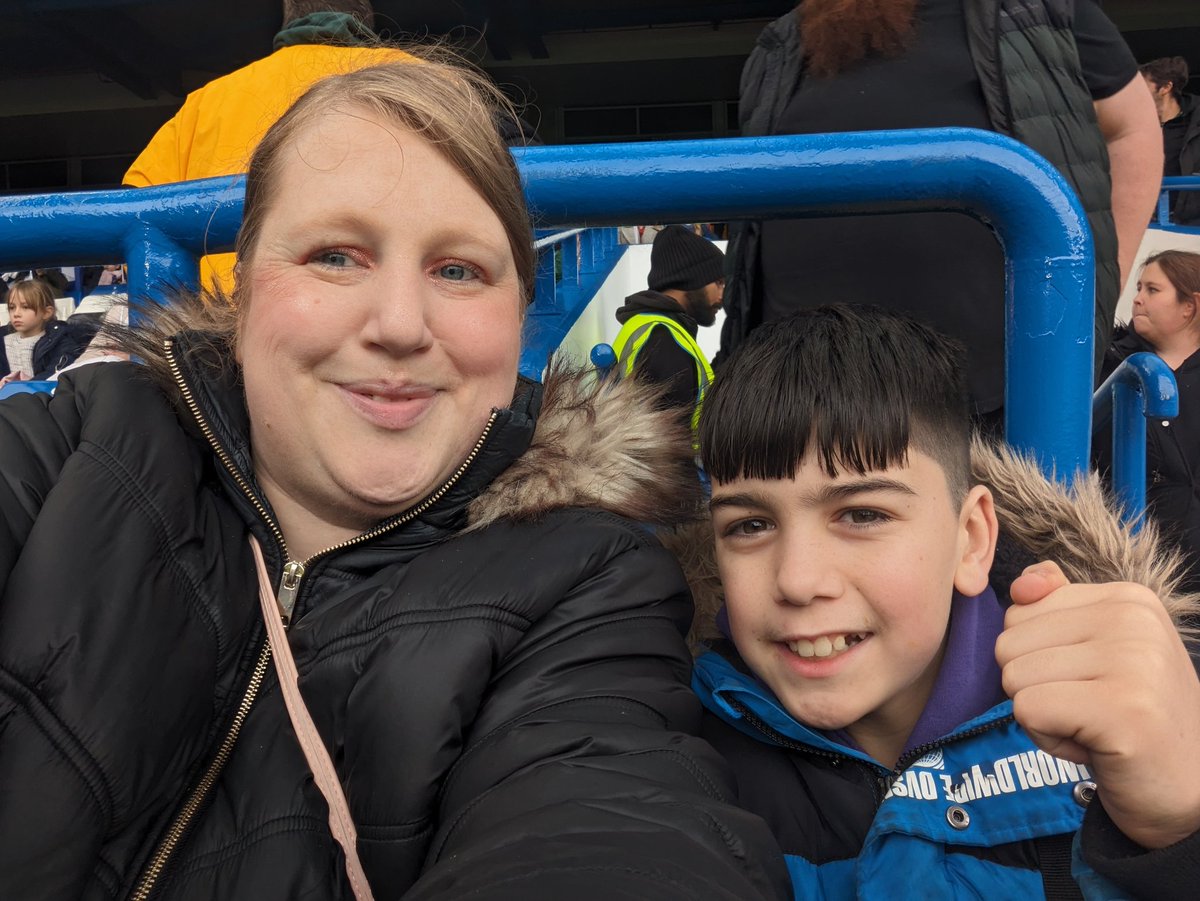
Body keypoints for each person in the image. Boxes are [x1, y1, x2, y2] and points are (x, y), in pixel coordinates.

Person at [0, 56, 791, 900]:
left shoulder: (591, 585)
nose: (400, 324)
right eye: (336, 256)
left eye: (458, 270)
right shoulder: (78, 445)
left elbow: (610, 824)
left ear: (517, 312)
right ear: (245, 288)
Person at [682, 305, 1200, 898]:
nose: (798, 581)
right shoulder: (668, 751)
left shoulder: (1150, 716)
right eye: (749, 526)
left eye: (862, 514)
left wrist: (1180, 833)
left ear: (972, 539)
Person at [720, 0, 1163, 426]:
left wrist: (1092, 285)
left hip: (991, 401)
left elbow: (1131, 128)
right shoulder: (779, 44)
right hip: (800, 396)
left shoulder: (1040, 10)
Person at [122, 1, 409, 290]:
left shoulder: (209, 100)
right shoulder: (430, 82)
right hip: (394, 312)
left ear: (288, 19)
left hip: (223, 319)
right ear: (366, 21)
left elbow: (132, 216)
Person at [1100, 250, 1200, 595]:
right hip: (1130, 565)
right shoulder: (1107, 363)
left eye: (1153, 290)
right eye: (1138, 288)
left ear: (1190, 306)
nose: (1138, 299)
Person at [612, 225, 725, 425]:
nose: (722, 295)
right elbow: (670, 447)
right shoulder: (663, 342)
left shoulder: (647, 326)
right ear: (691, 280)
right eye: (718, 283)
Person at [1140, 56, 1200, 227]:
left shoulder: (1194, 121)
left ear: (1166, 87)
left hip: (1192, 226)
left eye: (1142, 85)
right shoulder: (1133, 126)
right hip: (1148, 226)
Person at [0, 278, 89, 382]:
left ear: (46, 312)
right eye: (12, 307)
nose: (16, 314)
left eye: (25, 307)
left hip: (44, 396)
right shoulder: (2, 340)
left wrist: (28, 385)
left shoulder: (59, 341)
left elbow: (56, 374)